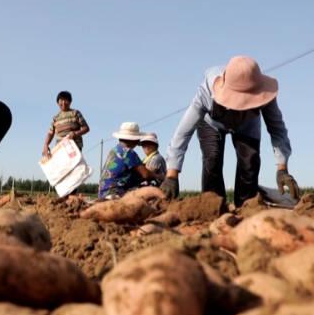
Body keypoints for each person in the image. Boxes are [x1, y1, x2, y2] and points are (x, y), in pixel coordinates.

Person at [162, 56, 300, 207]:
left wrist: (282, 169)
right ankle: (213, 207)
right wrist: (172, 175)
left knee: (249, 163)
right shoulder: (207, 93)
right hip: (211, 123)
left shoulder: (265, 94)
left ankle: (245, 207)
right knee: (212, 159)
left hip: (247, 124)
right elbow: (183, 132)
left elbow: (277, 129)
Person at [98, 122, 157, 199]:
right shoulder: (129, 153)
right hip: (115, 193)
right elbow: (146, 175)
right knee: (151, 189)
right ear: (134, 140)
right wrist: (157, 175)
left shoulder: (114, 150)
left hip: (102, 193)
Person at [42, 91, 90, 157]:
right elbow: (50, 133)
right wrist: (46, 145)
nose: (63, 103)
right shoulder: (56, 118)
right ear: (57, 102)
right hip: (60, 148)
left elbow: (86, 128)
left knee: (73, 166)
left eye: (66, 100)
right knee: (61, 167)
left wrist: (75, 133)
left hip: (74, 146)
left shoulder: (75, 113)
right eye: (61, 100)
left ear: (70, 102)